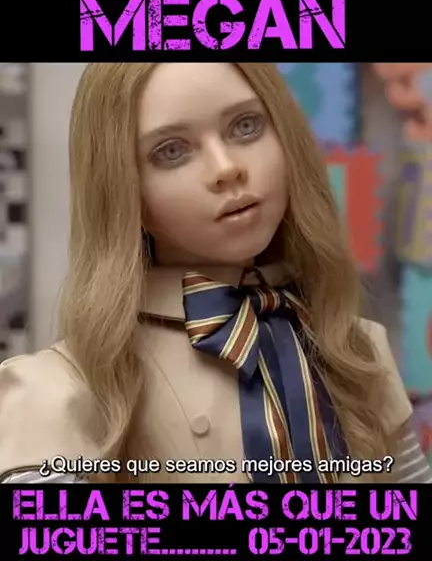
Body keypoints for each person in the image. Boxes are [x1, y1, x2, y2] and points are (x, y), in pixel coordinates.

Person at [0, 63, 430, 484]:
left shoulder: (358, 355)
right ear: (123, 189)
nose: (226, 168)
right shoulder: (58, 394)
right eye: (171, 151)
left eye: (246, 126)